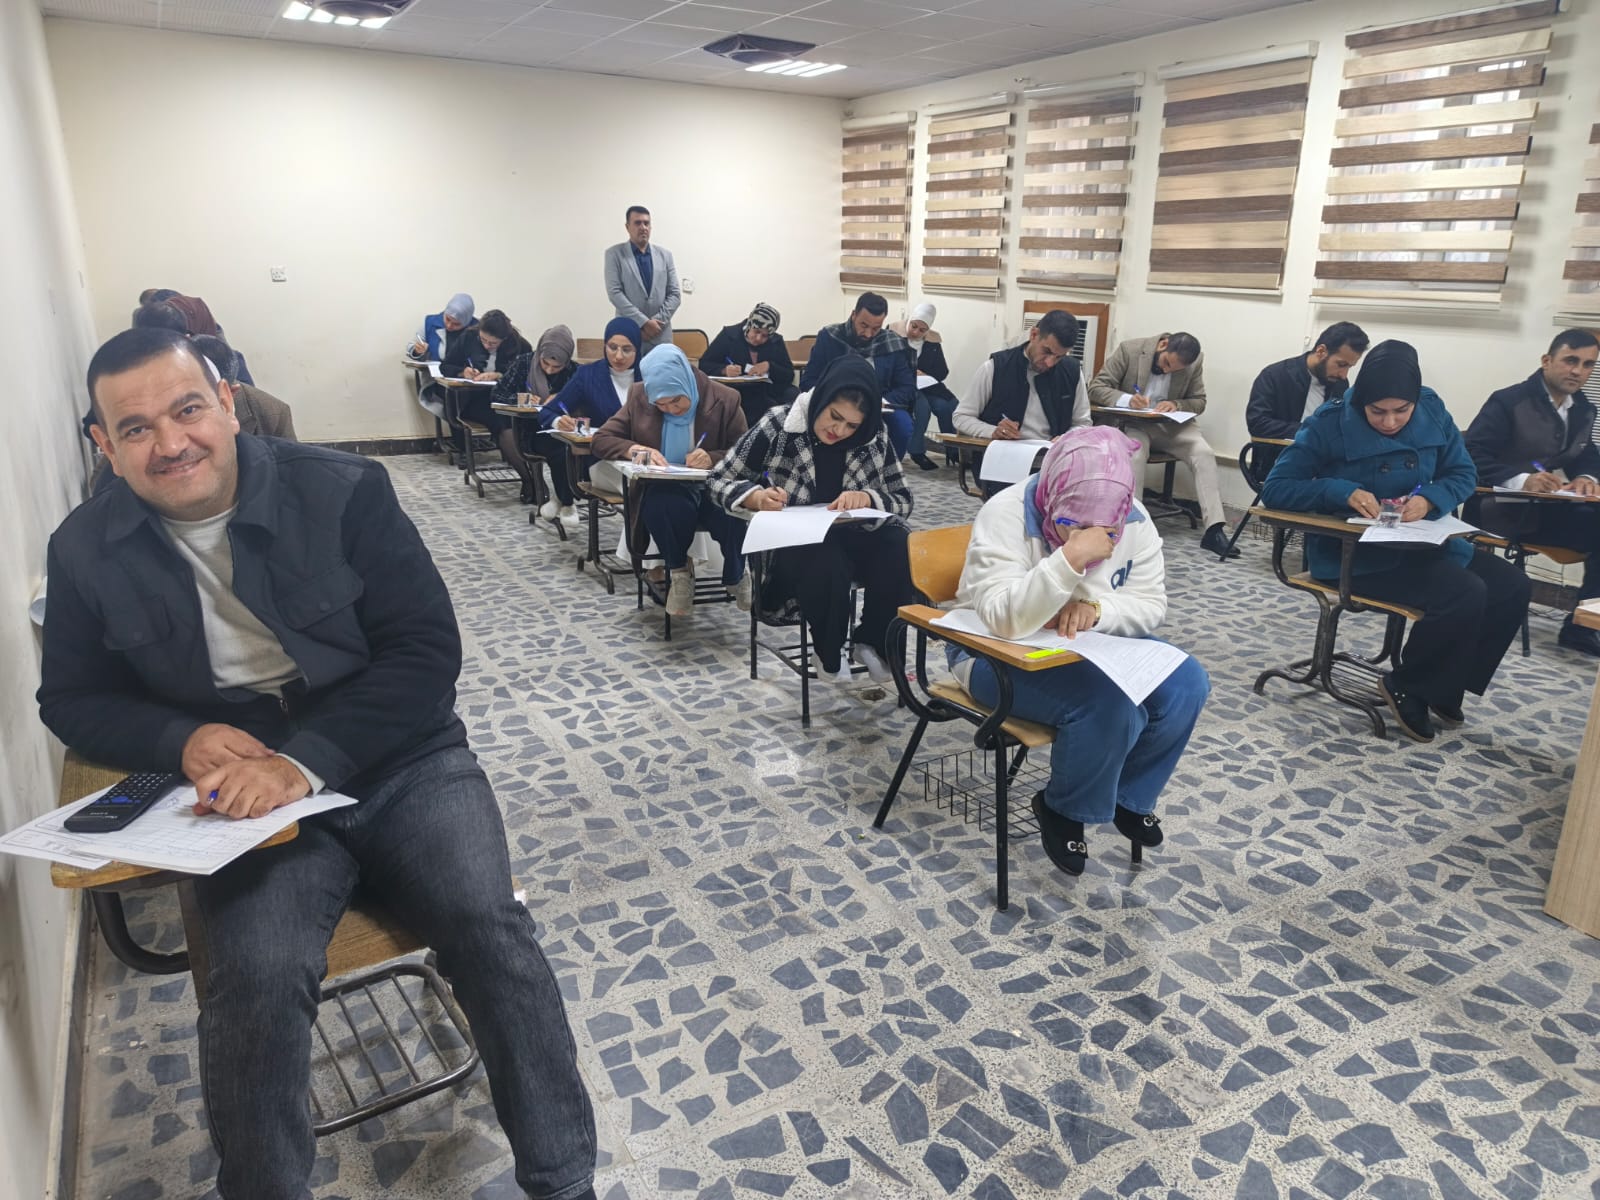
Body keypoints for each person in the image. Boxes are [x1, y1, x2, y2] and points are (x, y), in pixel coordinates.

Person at [40, 328, 598, 1200]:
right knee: (253, 979)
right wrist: (178, 740)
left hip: (398, 757)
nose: (171, 443)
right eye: (136, 428)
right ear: (103, 446)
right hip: (245, 795)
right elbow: (71, 699)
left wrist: (301, 764)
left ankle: (564, 1182)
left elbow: (424, 652)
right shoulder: (83, 548)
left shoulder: (342, 489)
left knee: (488, 925)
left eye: (187, 410)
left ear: (228, 405)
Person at [952, 426, 1209, 877]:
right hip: (992, 652)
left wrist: (1096, 609)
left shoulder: (1133, 518)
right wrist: (1068, 560)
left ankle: (1129, 797)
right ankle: (1063, 808)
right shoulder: (1006, 511)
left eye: (1106, 531)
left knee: (1188, 682)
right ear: (1051, 496)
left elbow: (1151, 604)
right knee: (1111, 705)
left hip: (1089, 646)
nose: (1092, 541)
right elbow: (1001, 618)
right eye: (1071, 525)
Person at [1262, 340, 1530, 743]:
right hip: (1355, 554)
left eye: (1401, 411)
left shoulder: (1432, 409)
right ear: (1360, 402)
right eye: (1377, 412)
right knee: (1464, 592)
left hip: (1423, 541)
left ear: (1414, 401)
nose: (1389, 422)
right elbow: (1276, 488)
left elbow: (1463, 474)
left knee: (1512, 585)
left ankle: (1446, 683)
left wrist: (1430, 499)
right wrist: (1339, 491)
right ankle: (1408, 686)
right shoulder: (1329, 421)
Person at [709, 355, 917, 683]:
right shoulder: (779, 424)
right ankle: (828, 649)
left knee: (899, 542)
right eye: (835, 417)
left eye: (852, 426)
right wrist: (755, 497)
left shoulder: (874, 434)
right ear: (822, 398)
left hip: (856, 538)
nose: (839, 430)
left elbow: (903, 499)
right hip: (794, 545)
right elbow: (718, 480)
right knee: (825, 555)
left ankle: (875, 641)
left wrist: (868, 498)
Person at [1465, 329, 1600, 657]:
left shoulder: (1582, 408)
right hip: (1498, 506)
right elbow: (1471, 454)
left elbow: (1585, 454)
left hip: (1546, 508)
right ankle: (1582, 627)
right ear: (1547, 361)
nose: (1578, 371)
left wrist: (1586, 477)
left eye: (1587, 365)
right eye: (1570, 360)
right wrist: (1521, 479)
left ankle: (1584, 622)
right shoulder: (1508, 401)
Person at [592, 345, 748, 617]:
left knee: (731, 513)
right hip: (666, 486)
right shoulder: (640, 396)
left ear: (686, 383)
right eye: (661, 405)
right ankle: (679, 574)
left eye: (676, 401)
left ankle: (736, 575)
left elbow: (745, 452)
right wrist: (633, 449)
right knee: (663, 506)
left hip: (712, 485)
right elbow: (601, 439)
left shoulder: (725, 399)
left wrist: (712, 457)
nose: (670, 409)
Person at [1089, 331, 1235, 559]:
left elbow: (1199, 401)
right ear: (1163, 344)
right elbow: (1096, 387)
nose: (1167, 371)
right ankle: (1133, 526)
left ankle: (1214, 530)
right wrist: (1128, 400)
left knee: (1203, 452)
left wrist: (1177, 404)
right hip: (1133, 422)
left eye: (1174, 370)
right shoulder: (1129, 350)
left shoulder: (1194, 362)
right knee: (1136, 453)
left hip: (1170, 426)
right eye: (1166, 363)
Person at [533, 317, 642, 526]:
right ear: (604, 346)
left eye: (627, 350)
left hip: (642, 458)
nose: (618, 356)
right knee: (641, 492)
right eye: (612, 347)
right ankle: (639, 546)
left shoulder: (649, 375)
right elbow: (547, 411)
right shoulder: (588, 375)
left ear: (638, 349)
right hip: (602, 459)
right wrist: (558, 421)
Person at [798, 293, 916, 460]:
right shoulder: (830, 337)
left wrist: (882, 401)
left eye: (875, 328)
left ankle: (888, 470)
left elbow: (907, 387)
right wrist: (830, 396)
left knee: (902, 424)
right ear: (853, 315)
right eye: (863, 325)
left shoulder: (892, 344)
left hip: (880, 405)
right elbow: (809, 380)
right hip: (836, 402)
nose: (868, 334)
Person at [953, 308, 1090, 449]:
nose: (1050, 363)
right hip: (1002, 454)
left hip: (1051, 457)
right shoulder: (995, 367)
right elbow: (961, 417)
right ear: (1034, 334)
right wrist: (992, 431)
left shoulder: (1072, 372)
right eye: (1046, 351)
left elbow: (1083, 423)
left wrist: (1067, 438)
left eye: (1059, 357)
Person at [1246, 322, 1370, 472]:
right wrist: (1312, 431)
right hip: (1277, 462)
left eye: (1349, 367)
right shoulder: (1275, 376)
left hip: (1323, 466)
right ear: (1321, 351)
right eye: (1341, 364)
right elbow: (1257, 423)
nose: (1344, 374)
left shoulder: (1340, 384)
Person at [494, 324, 577, 503]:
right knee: (559, 451)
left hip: (561, 430)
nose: (549, 370)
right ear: (539, 352)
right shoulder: (524, 363)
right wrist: (520, 399)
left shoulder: (574, 371)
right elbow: (498, 393)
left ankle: (568, 496)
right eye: (545, 363)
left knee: (568, 449)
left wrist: (562, 397)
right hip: (528, 429)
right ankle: (542, 488)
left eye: (557, 367)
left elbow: (585, 401)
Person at [698, 302, 795, 429]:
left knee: (792, 395)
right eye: (756, 331)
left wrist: (770, 366)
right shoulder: (729, 335)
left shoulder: (775, 341)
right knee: (752, 404)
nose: (758, 338)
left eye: (765, 335)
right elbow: (704, 364)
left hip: (766, 391)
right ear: (749, 325)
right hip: (737, 390)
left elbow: (789, 374)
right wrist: (723, 370)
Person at [888, 302, 959, 471]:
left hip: (926, 386)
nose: (916, 332)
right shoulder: (893, 334)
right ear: (909, 320)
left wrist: (925, 374)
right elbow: (888, 365)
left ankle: (954, 450)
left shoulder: (932, 342)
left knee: (948, 406)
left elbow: (942, 371)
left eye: (922, 330)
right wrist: (910, 373)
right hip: (902, 385)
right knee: (922, 407)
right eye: (914, 326)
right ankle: (917, 451)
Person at [603, 205, 681, 352]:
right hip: (629, 335)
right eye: (638, 223)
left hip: (660, 335)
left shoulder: (665, 255)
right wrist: (643, 323)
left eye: (646, 223)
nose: (643, 227)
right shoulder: (614, 254)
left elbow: (675, 294)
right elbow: (615, 293)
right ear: (627, 227)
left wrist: (656, 323)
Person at [411, 292, 475, 419]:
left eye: (456, 324)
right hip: (438, 380)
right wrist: (418, 350)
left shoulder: (477, 328)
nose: (449, 325)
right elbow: (412, 347)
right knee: (453, 398)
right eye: (447, 319)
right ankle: (458, 429)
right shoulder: (430, 322)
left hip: (469, 381)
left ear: (467, 321)